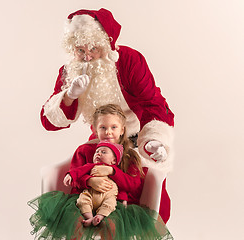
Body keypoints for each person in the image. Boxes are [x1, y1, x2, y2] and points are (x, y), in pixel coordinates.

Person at [40, 8, 175, 223]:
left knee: (153, 208)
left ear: (107, 43)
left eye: (94, 48)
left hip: (137, 141)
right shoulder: (70, 71)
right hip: (101, 140)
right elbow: (48, 121)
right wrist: (69, 96)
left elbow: (155, 104)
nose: (87, 56)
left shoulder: (129, 61)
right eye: (80, 50)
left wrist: (153, 141)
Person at [28, 104, 173, 239]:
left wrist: (112, 171)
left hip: (114, 204)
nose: (108, 132)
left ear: (122, 129)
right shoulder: (85, 151)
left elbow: (133, 185)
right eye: (103, 127)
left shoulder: (129, 156)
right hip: (82, 199)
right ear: (95, 129)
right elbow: (75, 176)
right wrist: (89, 180)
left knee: (112, 225)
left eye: (113, 127)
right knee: (75, 221)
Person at [63, 140, 126, 227]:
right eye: (97, 152)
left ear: (114, 160)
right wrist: (71, 175)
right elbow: (79, 170)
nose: (98, 153)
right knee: (83, 200)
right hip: (91, 193)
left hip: (108, 195)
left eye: (103, 152)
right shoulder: (91, 166)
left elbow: (122, 185)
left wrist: (123, 199)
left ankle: (100, 216)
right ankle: (89, 217)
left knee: (111, 203)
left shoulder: (114, 171)